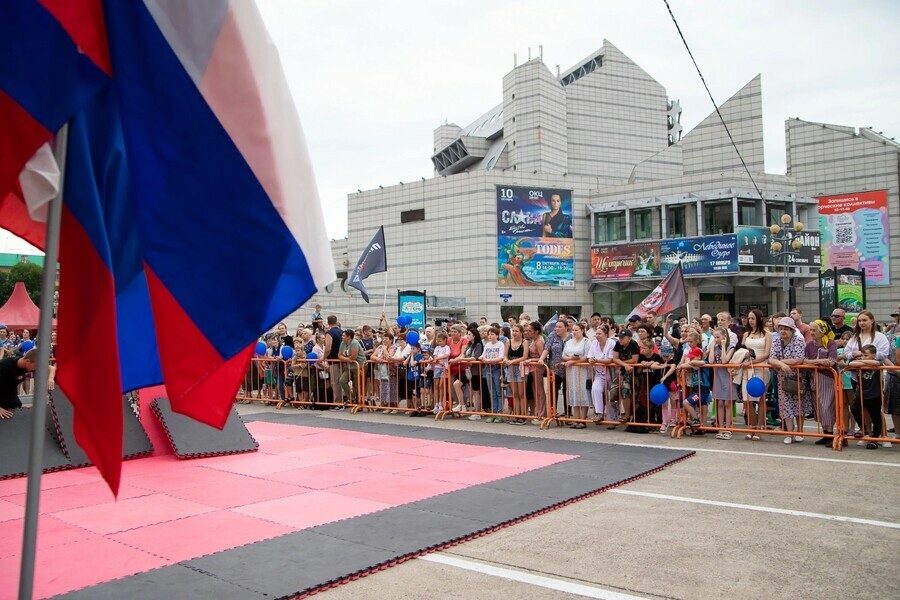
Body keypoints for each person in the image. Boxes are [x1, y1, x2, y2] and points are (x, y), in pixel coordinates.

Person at [769, 316, 810, 444]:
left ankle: (799, 432)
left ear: (792, 330)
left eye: (786, 329)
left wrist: (781, 362)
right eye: (781, 328)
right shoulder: (776, 342)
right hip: (782, 378)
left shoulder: (797, 340)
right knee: (785, 406)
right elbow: (771, 359)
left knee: (799, 405)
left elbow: (799, 359)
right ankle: (789, 433)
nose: (783, 331)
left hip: (797, 378)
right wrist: (782, 365)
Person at [847, 345, 891, 448]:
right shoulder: (860, 363)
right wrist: (865, 361)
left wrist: (863, 363)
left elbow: (876, 363)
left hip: (874, 395)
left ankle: (874, 439)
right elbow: (851, 363)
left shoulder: (878, 363)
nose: (863, 357)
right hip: (861, 394)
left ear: (874, 355)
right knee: (854, 409)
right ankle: (865, 429)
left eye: (866, 355)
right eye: (862, 355)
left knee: (875, 417)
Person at [803, 319, 838, 445]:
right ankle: (825, 433)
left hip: (828, 378)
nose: (811, 333)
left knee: (827, 405)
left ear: (822, 331)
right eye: (811, 330)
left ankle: (830, 434)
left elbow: (832, 361)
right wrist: (819, 362)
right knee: (818, 405)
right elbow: (805, 361)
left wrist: (817, 362)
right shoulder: (809, 345)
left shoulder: (831, 343)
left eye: (814, 330)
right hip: (813, 377)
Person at [741, 309, 772, 440]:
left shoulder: (767, 334)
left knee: (760, 399)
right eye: (749, 318)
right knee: (747, 399)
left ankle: (759, 427)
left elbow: (766, 353)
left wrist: (753, 361)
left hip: (762, 368)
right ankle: (752, 426)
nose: (750, 321)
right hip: (748, 369)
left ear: (759, 319)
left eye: (753, 318)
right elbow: (742, 349)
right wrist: (745, 359)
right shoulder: (746, 334)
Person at [1, 349, 55, 419]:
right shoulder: (4, 365)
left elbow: (52, 368)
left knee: (17, 412)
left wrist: (50, 378)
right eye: (36, 366)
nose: (37, 368)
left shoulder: (30, 366)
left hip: (11, 394)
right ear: (27, 361)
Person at [709, 327, 737, 439]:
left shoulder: (731, 347)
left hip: (728, 377)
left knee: (727, 403)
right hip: (718, 377)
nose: (716, 339)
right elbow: (711, 361)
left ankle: (728, 428)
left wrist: (724, 346)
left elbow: (725, 360)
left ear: (724, 337)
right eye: (714, 337)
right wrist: (711, 348)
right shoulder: (714, 347)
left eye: (718, 337)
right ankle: (720, 428)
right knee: (719, 403)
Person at [562, 323, 591, 428]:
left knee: (582, 391)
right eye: (573, 330)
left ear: (582, 330)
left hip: (582, 371)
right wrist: (571, 359)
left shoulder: (586, 342)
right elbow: (564, 356)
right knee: (573, 392)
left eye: (576, 330)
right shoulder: (569, 342)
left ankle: (582, 419)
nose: (574, 332)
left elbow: (587, 356)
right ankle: (576, 418)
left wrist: (574, 361)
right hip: (571, 371)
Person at [504, 324, 529, 424]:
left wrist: (513, 362)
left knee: (521, 393)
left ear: (521, 332)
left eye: (516, 331)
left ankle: (523, 415)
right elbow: (505, 356)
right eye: (513, 331)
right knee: (514, 393)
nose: (514, 333)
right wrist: (506, 360)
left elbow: (524, 357)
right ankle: (516, 414)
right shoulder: (508, 342)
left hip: (520, 368)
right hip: (511, 369)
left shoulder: (525, 342)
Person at [480, 327, 506, 421]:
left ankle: (499, 413)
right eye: (489, 334)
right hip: (488, 368)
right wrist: (483, 359)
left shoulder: (500, 344)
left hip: (496, 368)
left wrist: (488, 361)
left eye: (492, 334)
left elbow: (500, 357)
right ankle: (493, 412)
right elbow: (483, 355)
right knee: (492, 392)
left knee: (498, 391)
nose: (490, 336)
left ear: (497, 335)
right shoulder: (487, 345)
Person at [337, 329, 365, 409]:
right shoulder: (343, 343)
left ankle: (358, 401)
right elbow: (339, 355)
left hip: (359, 365)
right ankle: (351, 397)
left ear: (349, 337)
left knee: (357, 384)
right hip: (349, 366)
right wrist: (347, 359)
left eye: (344, 335)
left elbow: (354, 356)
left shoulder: (354, 343)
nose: (342, 337)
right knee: (342, 380)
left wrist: (345, 358)